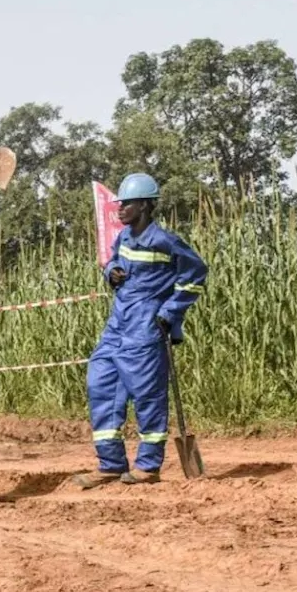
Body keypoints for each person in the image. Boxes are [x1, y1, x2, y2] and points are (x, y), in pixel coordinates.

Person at [73, 172, 207, 488]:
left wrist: (170, 313)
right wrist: (111, 272)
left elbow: (196, 276)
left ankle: (148, 466)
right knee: (99, 385)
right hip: (116, 327)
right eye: (119, 203)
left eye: (127, 203)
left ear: (145, 206)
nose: (120, 209)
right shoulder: (125, 238)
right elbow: (112, 261)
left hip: (146, 330)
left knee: (147, 396)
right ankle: (110, 464)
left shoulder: (165, 241)